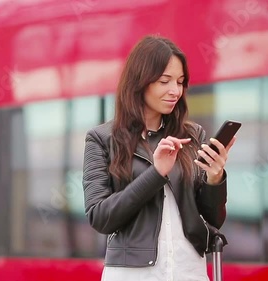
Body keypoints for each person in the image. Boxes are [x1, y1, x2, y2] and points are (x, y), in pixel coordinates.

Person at [82, 35, 236, 281]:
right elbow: (100, 217)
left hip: (190, 272)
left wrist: (215, 177)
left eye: (180, 82)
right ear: (140, 81)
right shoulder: (102, 139)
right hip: (132, 275)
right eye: (165, 81)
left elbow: (213, 218)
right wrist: (156, 173)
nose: (175, 91)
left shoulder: (193, 135)